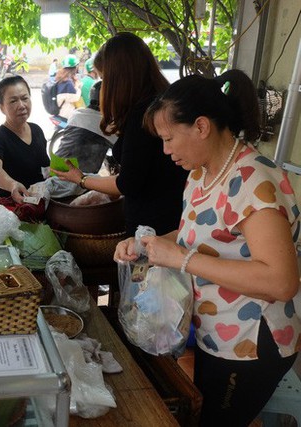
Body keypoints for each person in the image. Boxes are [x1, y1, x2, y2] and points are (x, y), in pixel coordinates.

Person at [115, 70, 301, 426]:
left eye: (169, 138)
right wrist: (147, 244)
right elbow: (196, 236)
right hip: (216, 330)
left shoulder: (254, 181)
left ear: (201, 126)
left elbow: (281, 282)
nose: (165, 150)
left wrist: (182, 258)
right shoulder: (202, 173)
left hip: (252, 342)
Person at [52, 33, 188, 237]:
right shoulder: (162, 100)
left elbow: (127, 184)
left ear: (118, 77)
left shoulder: (143, 115)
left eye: (104, 77)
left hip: (153, 227)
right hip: (171, 217)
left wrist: (81, 180)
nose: (103, 86)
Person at [0, 75, 49, 203]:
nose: (21, 105)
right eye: (13, 101)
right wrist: (12, 185)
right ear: (1, 107)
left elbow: (45, 168)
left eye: (25, 98)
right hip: (9, 209)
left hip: (36, 204)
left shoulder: (36, 130)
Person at [53, 81, 117, 174]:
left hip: (55, 170)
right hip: (75, 180)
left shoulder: (77, 113)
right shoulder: (105, 124)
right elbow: (123, 149)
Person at [54, 54, 83, 120]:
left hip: (59, 112)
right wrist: (78, 87)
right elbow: (75, 98)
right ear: (75, 67)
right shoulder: (68, 82)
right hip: (66, 115)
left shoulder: (60, 78)